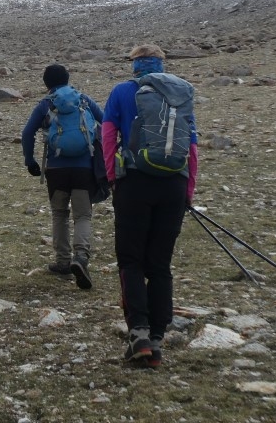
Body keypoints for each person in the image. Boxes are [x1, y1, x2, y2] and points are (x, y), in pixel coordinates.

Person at [101, 44, 198, 368]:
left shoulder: (121, 93)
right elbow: (192, 146)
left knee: (130, 260)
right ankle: (157, 339)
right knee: (160, 264)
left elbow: (108, 136)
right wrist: (188, 190)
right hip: (173, 184)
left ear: (135, 66)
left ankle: (139, 335)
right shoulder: (180, 93)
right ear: (162, 65)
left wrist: (114, 178)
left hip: (134, 183)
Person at [21, 63, 104, 290]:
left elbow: (27, 133)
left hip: (56, 170)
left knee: (59, 213)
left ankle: (63, 262)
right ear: (68, 79)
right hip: (84, 168)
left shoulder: (45, 105)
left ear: (46, 83)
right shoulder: (83, 100)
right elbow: (106, 122)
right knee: (83, 215)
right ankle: (81, 258)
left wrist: (30, 161)